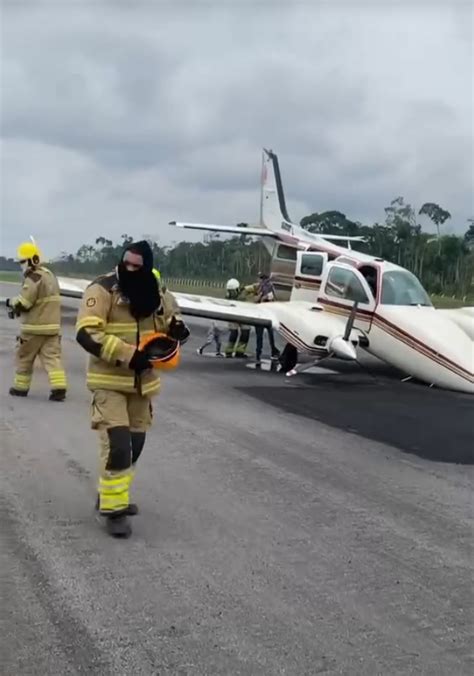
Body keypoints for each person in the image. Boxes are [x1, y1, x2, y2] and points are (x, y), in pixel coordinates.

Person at [75, 240, 190, 538]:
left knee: (134, 448)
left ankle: (113, 496)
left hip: (143, 384)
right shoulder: (102, 289)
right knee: (119, 446)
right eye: (127, 262)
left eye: (137, 265)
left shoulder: (155, 289)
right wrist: (129, 355)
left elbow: (169, 315)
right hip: (108, 382)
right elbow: (86, 334)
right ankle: (113, 512)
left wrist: (176, 328)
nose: (130, 268)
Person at [6, 241, 67, 401]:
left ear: (32, 260)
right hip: (52, 327)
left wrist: (11, 303)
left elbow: (24, 303)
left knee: (24, 357)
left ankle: (20, 388)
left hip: (33, 328)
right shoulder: (49, 275)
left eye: (22, 261)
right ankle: (59, 387)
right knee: (52, 358)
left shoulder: (32, 278)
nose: (21, 265)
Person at [247, 272, 280, 365]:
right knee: (268, 336)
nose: (258, 280)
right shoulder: (266, 287)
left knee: (261, 336)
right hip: (266, 314)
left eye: (259, 279)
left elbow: (259, 299)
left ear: (261, 279)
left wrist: (261, 297)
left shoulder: (264, 287)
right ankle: (273, 352)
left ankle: (260, 354)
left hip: (262, 314)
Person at [223, 278, 251, 358]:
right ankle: (229, 351)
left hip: (243, 314)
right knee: (234, 333)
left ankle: (240, 352)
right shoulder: (228, 297)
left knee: (245, 333)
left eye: (232, 291)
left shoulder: (243, 294)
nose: (230, 293)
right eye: (229, 291)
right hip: (233, 314)